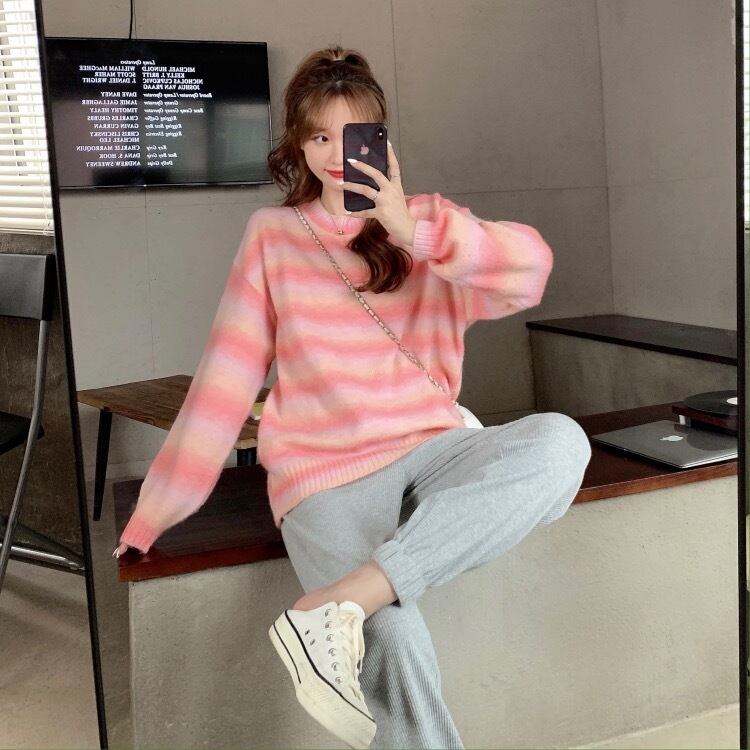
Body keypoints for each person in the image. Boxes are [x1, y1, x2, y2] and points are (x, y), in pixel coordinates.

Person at [114, 45, 591, 750]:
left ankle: (340, 601)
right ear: (298, 146)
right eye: (318, 137)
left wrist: (409, 229)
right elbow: (224, 382)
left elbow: (531, 271)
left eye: (354, 135)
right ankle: (359, 606)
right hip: (324, 473)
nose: (337, 156)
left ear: (383, 139)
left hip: (433, 448)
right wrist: (153, 516)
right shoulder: (274, 236)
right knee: (390, 636)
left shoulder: (427, 224)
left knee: (562, 443)